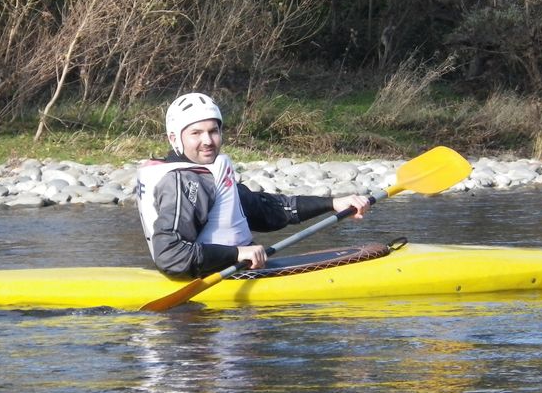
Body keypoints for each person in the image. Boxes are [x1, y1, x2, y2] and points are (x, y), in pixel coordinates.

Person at [136, 92, 371, 279]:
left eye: (213, 131)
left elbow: (266, 210)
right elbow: (171, 255)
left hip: (232, 270)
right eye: (196, 133)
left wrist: (332, 203)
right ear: (175, 138)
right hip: (213, 281)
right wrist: (237, 253)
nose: (207, 141)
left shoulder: (206, 172)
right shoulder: (184, 181)